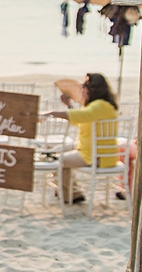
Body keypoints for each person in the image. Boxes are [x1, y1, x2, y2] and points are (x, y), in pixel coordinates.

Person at [45, 72, 118, 204]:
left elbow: (82, 116)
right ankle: (71, 191)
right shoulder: (99, 105)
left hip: (97, 155)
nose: (81, 88)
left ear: (93, 88)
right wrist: (69, 105)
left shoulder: (99, 105)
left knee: (59, 160)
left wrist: (52, 113)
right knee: (55, 150)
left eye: (84, 85)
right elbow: (81, 119)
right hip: (90, 148)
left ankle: (70, 194)